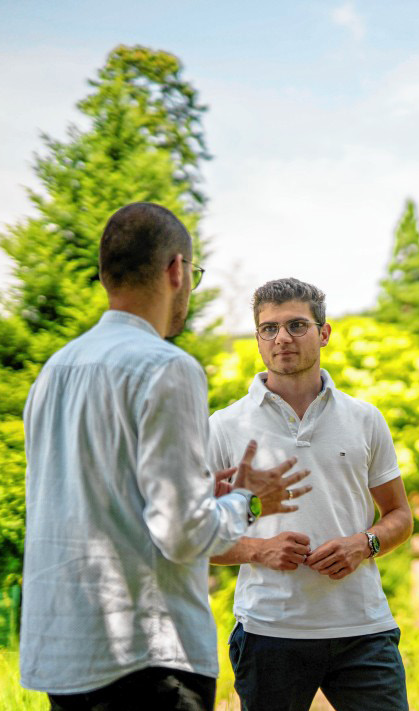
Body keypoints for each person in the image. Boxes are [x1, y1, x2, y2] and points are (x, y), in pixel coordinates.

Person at [20, 203, 311, 711]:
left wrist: (201, 494)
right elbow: (183, 534)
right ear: (177, 270)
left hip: (62, 655)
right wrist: (247, 498)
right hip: (147, 658)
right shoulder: (167, 367)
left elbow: (86, 497)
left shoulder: (55, 370)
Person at [208, 278, 414, 711]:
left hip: (364, 630)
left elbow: (400, 515)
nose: (282, 338)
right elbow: (193, 537)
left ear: (324, 333)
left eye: (297, 325)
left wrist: (364, 543)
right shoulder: (224, 427)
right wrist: (260, 549)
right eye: (269, 328)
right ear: (258, 338)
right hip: (269, 631)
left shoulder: (365, 419)